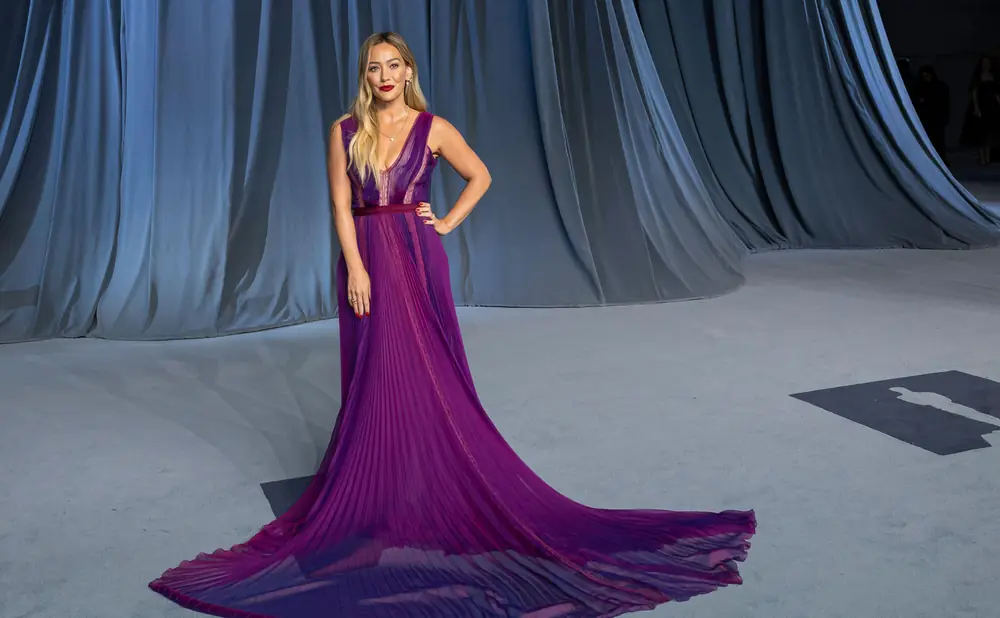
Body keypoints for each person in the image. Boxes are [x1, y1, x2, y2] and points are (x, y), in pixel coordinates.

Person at [148, 32, 756, 617]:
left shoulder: (433, 128)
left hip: (416, 256)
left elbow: (481, 176)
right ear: (365, 76)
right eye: (373, 68)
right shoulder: (345, 131)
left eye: (393, 66)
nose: (383, 77)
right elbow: (338, 203)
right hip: (365, 260)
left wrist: (446, 223)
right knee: (373, 373)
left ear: (409, 71)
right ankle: (379, 493)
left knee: (428, 370)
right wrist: (355, 268)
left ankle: (431, 481)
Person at [959, 56, 1000, 165]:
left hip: (992, 107)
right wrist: (976, 107)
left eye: (988, 62)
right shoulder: (978, 77)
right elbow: (974, 92)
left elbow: (997, 93)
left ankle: (987, 157)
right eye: (984, 62)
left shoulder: (993, 76)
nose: (986, 64)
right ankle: (982, 158)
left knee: (990, 134)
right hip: (982, 106)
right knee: (981, 134)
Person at [913, 65, 950, 164]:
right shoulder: (921, 87)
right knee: (928, 139)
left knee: (939, 140)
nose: (926, 78)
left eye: (928, 76)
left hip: (937, 117)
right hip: (926, 117)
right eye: (924, 76)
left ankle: (940, 160)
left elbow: (944, 102)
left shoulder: (940, 86)